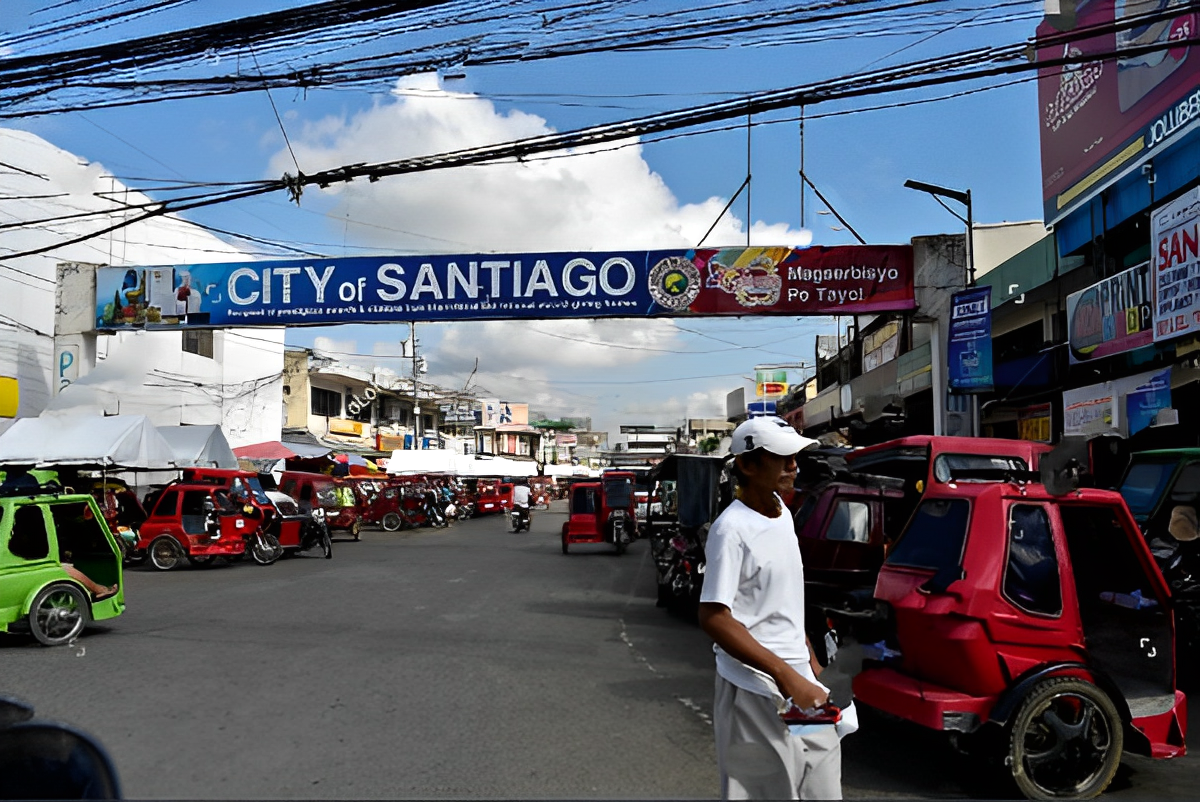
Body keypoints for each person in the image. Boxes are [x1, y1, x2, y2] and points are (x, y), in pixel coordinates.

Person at [698, 415, 841, 801]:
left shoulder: (783, 513)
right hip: (755, 687)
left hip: (801, 683)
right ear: (747, 465)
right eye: (782, 457)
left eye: (795, 457)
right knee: (769, 792)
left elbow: (784, 597)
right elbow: (713, 615)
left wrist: (807, 657)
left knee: (821, 787)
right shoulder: (731, 530)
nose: (793, 466)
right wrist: (784, 675)